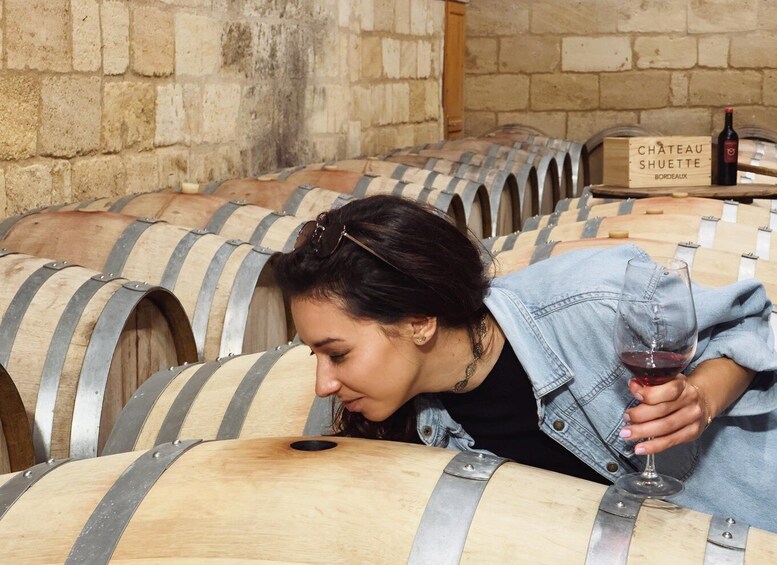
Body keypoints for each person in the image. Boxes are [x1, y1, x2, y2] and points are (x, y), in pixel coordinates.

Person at [272, 194, 777, 533]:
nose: (322, 383)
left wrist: (703, 398)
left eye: (337, 354)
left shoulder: (591, 296)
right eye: (315, 355)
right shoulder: (414, 428)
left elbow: (752, 324)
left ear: (419, 322)